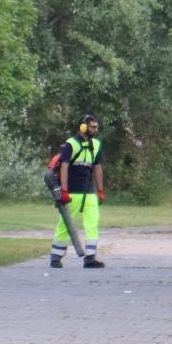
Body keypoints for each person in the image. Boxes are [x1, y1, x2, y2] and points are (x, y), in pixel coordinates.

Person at [49, 114, 107, 269]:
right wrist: (64, 191)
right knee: (65, 224)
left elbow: (98, 169)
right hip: (72, 192)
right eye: (92, 126)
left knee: (92, 224)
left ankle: (90, 258)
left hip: (89, 193)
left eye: (96, 126)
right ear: (83, 127)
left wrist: (100, 190)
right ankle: (56, 257)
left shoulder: (96, 145)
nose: (96, 129)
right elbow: (64, 168)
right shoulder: (71, 144)